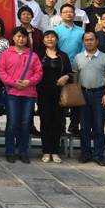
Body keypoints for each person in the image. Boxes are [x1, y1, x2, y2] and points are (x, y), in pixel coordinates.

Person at [0, 26, 43, 163]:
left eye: (23, 37)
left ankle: (23, 151)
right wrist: (13, 82)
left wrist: (29, 82)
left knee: (25, 123)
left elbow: (39, 73)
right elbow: (1, 71)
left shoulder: (33, 55)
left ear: (26, 39)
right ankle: (10, 151)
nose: (21, 39)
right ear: (13, 38)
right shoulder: (6, 54)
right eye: (18, 36)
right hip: (12, 92)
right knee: (12, 123)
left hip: (28, 93)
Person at [76, 30, 105, 166]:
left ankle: (98, 155)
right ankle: (85, 153)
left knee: (99, 126)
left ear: (97, 41)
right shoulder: (78, 57)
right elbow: (75, 76)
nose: (89, 42)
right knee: (84, 126)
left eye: (91, 39)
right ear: (83, 42)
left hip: (99, 94)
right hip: (83, 94)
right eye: (86, 40)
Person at [36, 30, 71, 163]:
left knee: (57, 122)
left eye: (52, 37)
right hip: (43, 93)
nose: (50, 39)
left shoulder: (63, 56)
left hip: (59, 93)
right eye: (47, 37)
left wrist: (66, 77)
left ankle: (55, 151)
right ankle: (46, 151)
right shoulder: (39, 55)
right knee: (45, 121)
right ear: (43, 40)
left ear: (57, 40)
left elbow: (70, 72)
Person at [54, 3, 85, 135]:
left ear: (74, 14)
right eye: (65, 11)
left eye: (70, 11)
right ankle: (60, 126)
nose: (68, 14)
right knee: (61, 99)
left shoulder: (81, 32)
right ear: (61, 15)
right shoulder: (55, 31)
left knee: (76, 97)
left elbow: (83, 49)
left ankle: (74, 125)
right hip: (59, 69)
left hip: (76, 69)